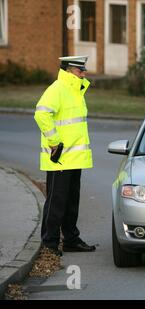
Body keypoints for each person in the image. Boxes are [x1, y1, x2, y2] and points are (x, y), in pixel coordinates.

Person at [34, 56, 96, 256]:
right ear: (69, 71)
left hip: (73, 158)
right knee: (56, 202)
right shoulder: (58, 89)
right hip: (59, 158)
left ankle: (70, 239)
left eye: (84, 70)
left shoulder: (75, 90)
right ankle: (49, 243)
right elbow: (41, 114)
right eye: (80, 70)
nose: (84, 73)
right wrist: (54, 143)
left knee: (71, 201)